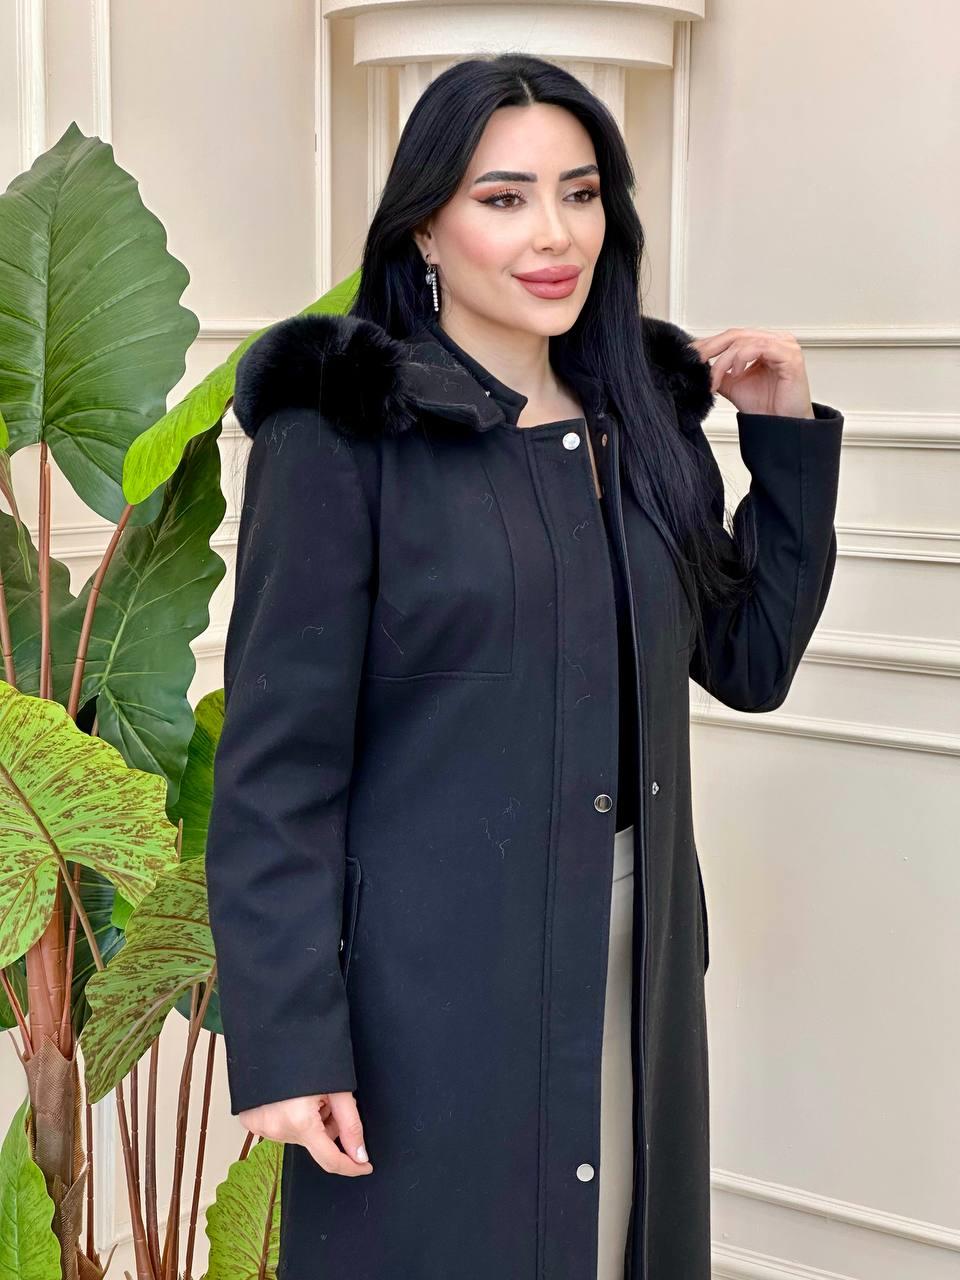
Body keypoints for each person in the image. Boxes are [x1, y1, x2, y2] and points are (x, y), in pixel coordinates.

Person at [205, 52, 844, 1280]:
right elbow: (277, 768)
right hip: (425, 999)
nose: (555, 234)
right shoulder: (340, 435)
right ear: (425, 227)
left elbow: (751, 658)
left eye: (580, 192)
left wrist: (782, 434)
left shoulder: (642, 421)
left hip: (636, 964)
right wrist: (289, 1046)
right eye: (504, 198)